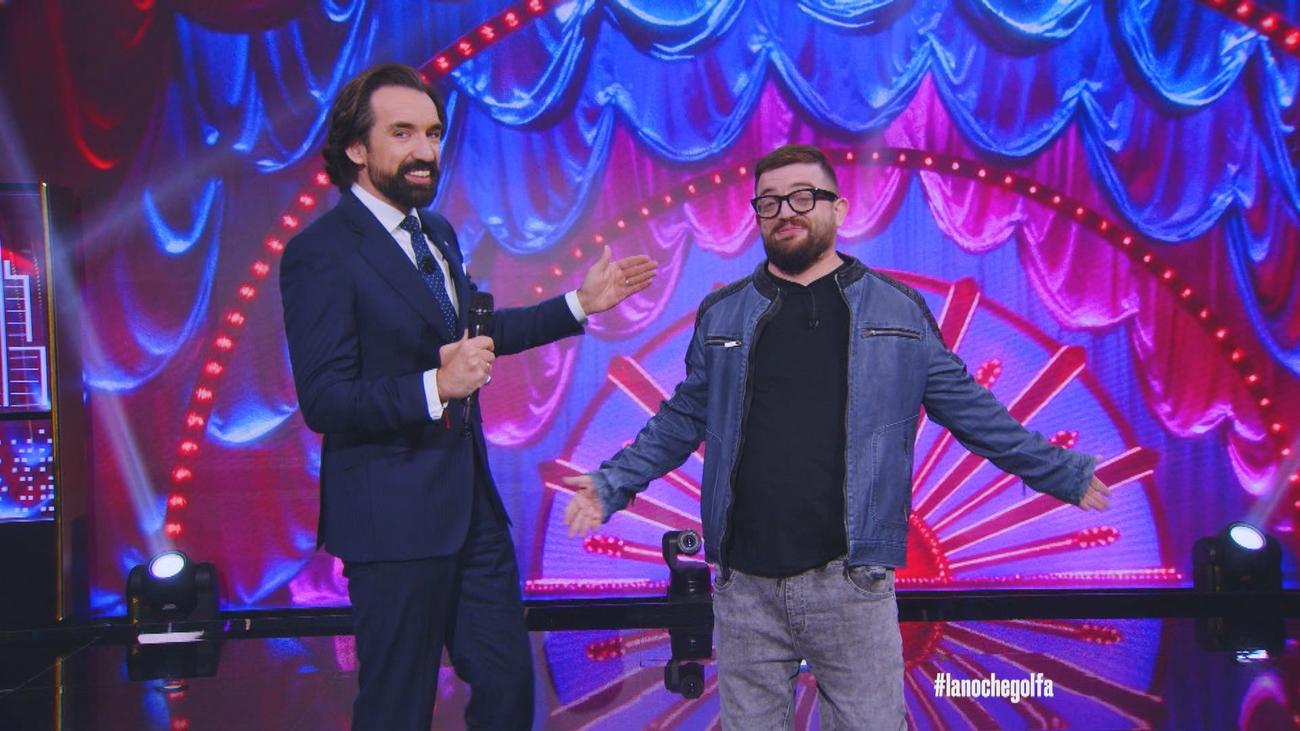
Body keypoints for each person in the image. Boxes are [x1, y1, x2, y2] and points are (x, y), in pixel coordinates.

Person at [561, 143, 1110, 730]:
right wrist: (612, 483)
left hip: (851, 584)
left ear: (839, 209)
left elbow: (973, 412)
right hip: (744, 590)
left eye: (802, 197)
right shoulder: (722, 313)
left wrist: (1061, 472)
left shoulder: (897, 311)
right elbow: (680, 419)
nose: (785, 212)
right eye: (769, 202)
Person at [279, 62, 656, 731]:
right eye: (403, 133)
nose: (426, 150)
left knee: (508, 691)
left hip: (471, 514)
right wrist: (436, 386)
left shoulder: (436, 234)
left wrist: (578, 304)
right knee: (397, 707)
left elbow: (474, 335)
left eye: (432, 133)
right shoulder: (323, 253)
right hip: (391, 523)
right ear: (357, 148)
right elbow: (327, 399)